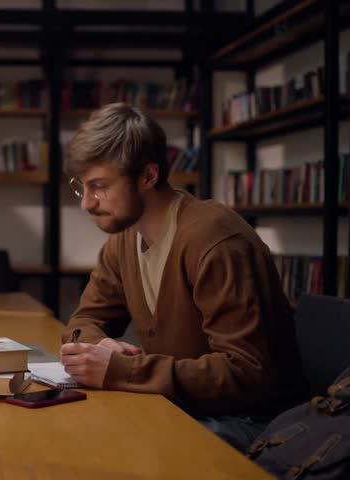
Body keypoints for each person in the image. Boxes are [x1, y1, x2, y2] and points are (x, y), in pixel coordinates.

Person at [59, 103, 305, 453]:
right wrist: (99, 345)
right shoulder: (124, 240)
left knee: (118, 449)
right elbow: (84, 320)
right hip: (186, 407)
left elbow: (246, 373)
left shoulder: (214, 240)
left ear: (147, 177)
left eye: (99, 186)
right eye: (83, 187)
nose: (87, 204)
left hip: (254, 421)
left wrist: (125, 371)